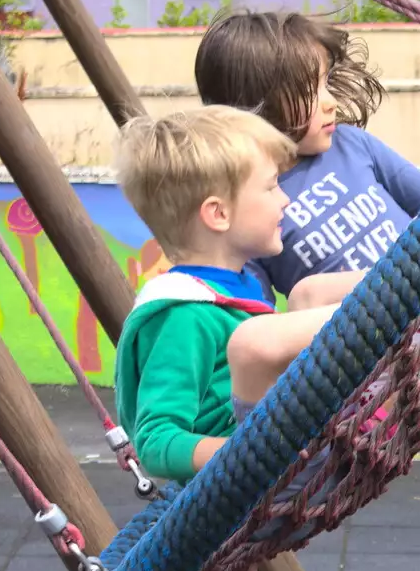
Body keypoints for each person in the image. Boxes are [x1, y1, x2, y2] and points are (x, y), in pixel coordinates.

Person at [114, 106, 341, 487]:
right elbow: (154, 442)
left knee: (309, 291)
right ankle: (400, 311)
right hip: (255, 485)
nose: (284, 199)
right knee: (258, 339)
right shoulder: (184, 315)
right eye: (271, 187)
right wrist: (244, 453)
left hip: (287, 436)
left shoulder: (235, 286)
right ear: (218, 214)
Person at [193, 9, 420, 304]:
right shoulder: (248, 204)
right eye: (310, 90)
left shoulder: (350, 144)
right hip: (372, 339)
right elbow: (258, 318)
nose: (331, 102)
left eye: (326, 83)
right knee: (307, 296)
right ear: (259, 103)